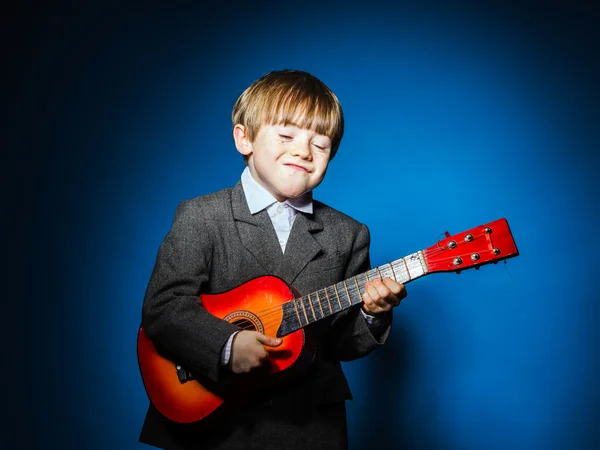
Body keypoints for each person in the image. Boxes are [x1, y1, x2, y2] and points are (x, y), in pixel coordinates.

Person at [139, 69, 407, 450]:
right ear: (244, 138)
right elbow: (163, 307)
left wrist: (372, 312)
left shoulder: (348, 234)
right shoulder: (202, 216)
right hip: (214, 426)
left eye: (321, 144)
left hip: (308, 428)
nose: (303, 151)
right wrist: (226, 345)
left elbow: (343, 343)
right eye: (286, 135)